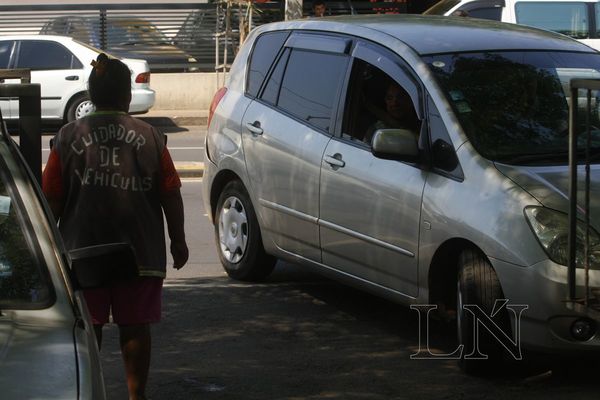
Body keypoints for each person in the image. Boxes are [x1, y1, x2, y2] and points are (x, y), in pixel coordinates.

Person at [42, 53, 189, 400]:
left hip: (82, 250)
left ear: (91, 95)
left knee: (88, 326)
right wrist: (178, 239)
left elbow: (51, 199)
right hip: (141, 253)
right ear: (126, 96)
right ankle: (136, 395)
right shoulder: (151, 136)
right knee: (134, 324)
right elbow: (170, 193)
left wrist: (49, 248)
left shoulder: (66, 137)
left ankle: (87, 391)